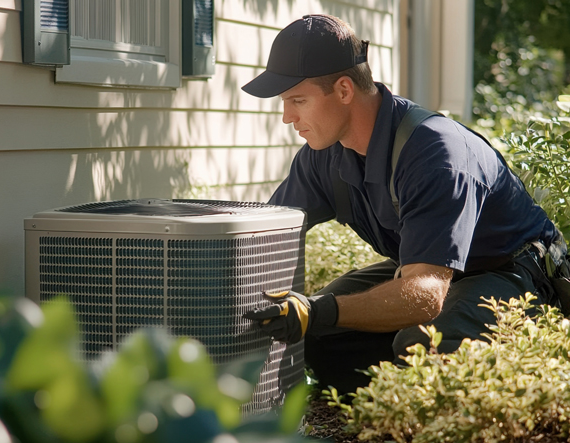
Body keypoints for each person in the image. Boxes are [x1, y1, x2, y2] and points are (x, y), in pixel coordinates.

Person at [241, 14, 563, 393]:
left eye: (297, 100)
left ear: (344, 90)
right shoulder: (323, 156)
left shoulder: (435, 155)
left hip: (511, 273)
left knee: (421, 345)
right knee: (317, 335)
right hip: (432, 270)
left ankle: (429, 423)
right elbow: (265, 233)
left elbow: (425, 295)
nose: (286, 117)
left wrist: (319, 309)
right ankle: (374, 420)